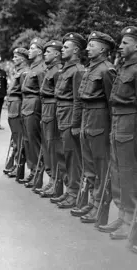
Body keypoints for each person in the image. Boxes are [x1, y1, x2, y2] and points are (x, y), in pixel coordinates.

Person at [99, 26, 137, 240]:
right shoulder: (124, 67)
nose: (120, 46)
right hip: (118, 122)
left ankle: (130, 221)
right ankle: (122, 216)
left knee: (128, 171)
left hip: (130, 123)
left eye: (125, 43)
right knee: (117, 170)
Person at [76, 31, 116, 224]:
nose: (87, 48)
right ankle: (92, 202)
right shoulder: (90, 68)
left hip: (99, 119)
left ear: (103, 49)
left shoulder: (107, 70)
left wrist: (111, 130)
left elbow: (111, 103)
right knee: (89, 164)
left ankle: (100, 205)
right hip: (87, 117)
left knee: (100, 165)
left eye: (92, 45)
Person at [52, 34, 86, 206]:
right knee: (63, 155)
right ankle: (70, 190)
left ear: (76, 50)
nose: (62, 49)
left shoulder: (78, 70)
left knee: (73, 157)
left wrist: (75, 124)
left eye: (66, 47)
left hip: (69, 116)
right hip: (61, 114)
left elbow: (77, 100)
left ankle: (74, 193)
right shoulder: (66, 69)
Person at [29, 41, 63, 191]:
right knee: (47, 147)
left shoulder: (57, 71)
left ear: (56, 54)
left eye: (48, 52)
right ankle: (51, 180)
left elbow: (58, 95)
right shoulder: (49, 70)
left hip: (53, 110)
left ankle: (56, 182)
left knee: (54, 147)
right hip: (45, 109)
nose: (45, 54)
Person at [19, 38, 46, 185]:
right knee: (28, 141)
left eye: (32, 48)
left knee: (34, 141)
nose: (29, 51)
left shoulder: (42, 69)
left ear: (40, 51)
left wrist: (42, 114)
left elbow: (43, 91)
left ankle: (38, 172)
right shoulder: (31, 68)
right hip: (26, 105)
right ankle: (32, 169)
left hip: (34, 105)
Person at [5, 48, 29, 180]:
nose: (13, 59)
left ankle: (19, 166)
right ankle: (16, 163)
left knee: (20, 140)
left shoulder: (24, 73)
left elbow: (24, 93)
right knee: (15, 139)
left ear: (22, 59)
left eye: (16, 57)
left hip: (18, 107)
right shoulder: (18, 72)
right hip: (12, 107)